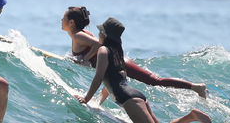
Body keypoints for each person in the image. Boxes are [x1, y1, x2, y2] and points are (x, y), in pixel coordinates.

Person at [75, 17, 212, 123]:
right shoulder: (117, 52)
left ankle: (191, 117)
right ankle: (191, 116)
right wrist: (98, 100)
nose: (98, 34)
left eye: (100, 31)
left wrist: (86, 99)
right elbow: (112, 79)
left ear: (105, 35)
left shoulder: (103, 50)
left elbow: (99, 77)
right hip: (136, 96)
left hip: (128, 99)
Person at [61, 6, 208, 98]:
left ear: (71, 22)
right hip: (115, 64)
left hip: (120, 63)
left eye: (63, 17)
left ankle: (196, 87)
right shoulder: (81, 34)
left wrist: (84, 59)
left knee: (155, 81)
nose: (61, 20)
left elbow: (99, 45)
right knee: (153, 81)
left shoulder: (77, 35)